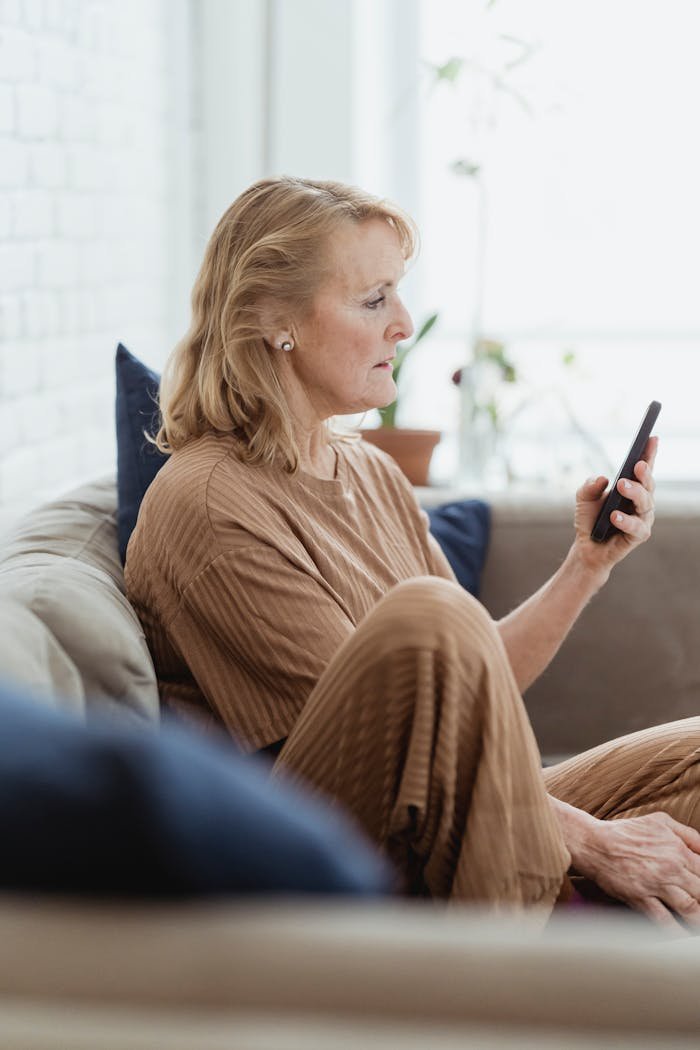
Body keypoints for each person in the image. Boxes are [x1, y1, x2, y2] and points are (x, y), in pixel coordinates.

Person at [125, 175, 700, 928]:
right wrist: (601, 843)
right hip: (355, 850)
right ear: (271, 320)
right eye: (373, 300)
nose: (404, 324)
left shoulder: (365, 467)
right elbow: (392, 747)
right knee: (429, 616)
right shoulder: (208, 504)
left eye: (399, 294)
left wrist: (586, 565)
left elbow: (469, 674)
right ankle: (519, 962)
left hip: (457, 799)